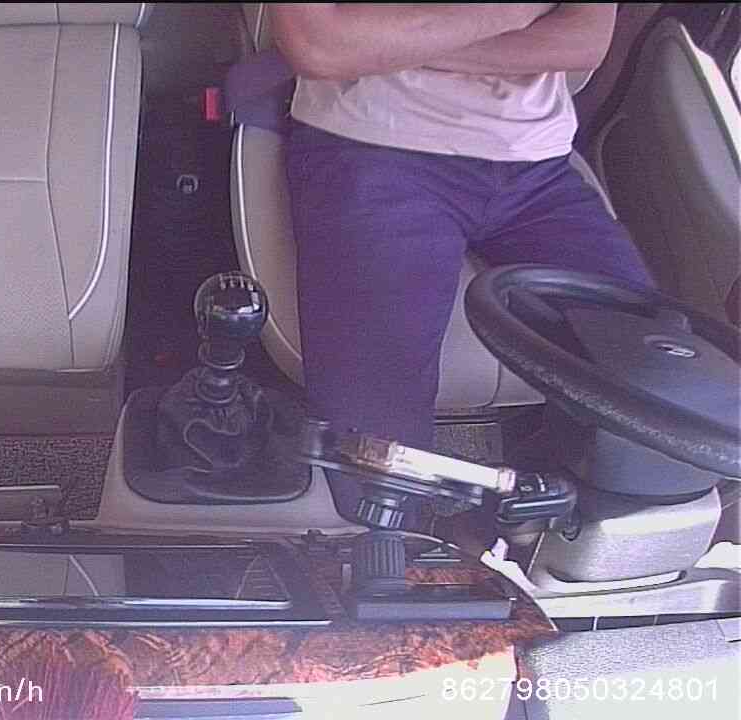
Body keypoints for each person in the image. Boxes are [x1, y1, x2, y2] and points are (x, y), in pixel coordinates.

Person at [270, 3, 652, 521]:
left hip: (537, 167)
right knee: (374, 423)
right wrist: (516, 11)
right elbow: (318, 47)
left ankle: (535, 536)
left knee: (653, 375)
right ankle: (389, 552)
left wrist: (388, 46)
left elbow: (582, 41)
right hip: (372, 148)